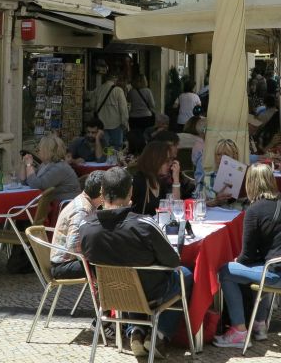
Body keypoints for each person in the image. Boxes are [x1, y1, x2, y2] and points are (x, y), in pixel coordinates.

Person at [80, 166, 194, 357]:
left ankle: (136, 331)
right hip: (151, 292)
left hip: (111, 295)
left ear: (102, 192)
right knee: (185, 274)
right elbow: (173, 261)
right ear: (130, 191)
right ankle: (159, 334)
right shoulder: (145, 225)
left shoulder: (85, 228)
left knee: (135, 279)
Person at [212, 164, 281, 348]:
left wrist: (235, 261)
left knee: (225, 271)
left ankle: (239, 330)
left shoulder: (254, 211)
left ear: (250, 183)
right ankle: (259, 325)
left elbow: (246, 257)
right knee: (260, 266)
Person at [50, 170, 105, 278]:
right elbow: (73, 245)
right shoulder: (82, 210)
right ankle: (105, 294)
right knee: (108, 265)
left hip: (69, 261)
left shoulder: (85, 202)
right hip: (63, 266)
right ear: (102, 192)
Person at [20, 134, 81, 202]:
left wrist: (29, 165)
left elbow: (35, 185)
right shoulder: (46, 165)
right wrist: (24, 164)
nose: (38, 151)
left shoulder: (60, 167)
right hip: (53, 203)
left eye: (39, 149)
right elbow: (27, 182)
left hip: (66, 206)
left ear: (48, 151)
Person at [131, 140, 184, 216]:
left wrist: (176, 179)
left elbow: (175, 207)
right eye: (167, 160)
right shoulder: (138, 181)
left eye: (171, 160)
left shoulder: (160, 181)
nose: (170, 163)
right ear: (154, 160)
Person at [91, 70, 128, 149]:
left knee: (104, 146)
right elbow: (123, 108)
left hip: (101, 123)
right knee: (116, 147)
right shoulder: (118, 90)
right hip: (116, 124)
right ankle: (114, 160)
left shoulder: (97, 89)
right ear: (115, 79)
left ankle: (106, 160)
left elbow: (91, 105)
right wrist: (124, 122)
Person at [127, 75, 157, 155]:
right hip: (146, 117)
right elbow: (152, 105)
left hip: (133, 118)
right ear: (144, 81)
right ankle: (146, 152)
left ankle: (135, 151)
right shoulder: (147, 91)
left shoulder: (131, 92)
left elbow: (128, 101)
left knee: (135, 135)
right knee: (146, 135)